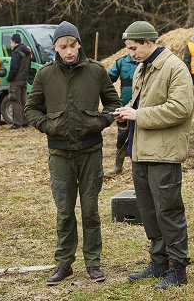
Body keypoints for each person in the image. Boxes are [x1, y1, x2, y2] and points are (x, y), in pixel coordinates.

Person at [24, 21, 121, 285]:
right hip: (60, 155)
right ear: (55, 48)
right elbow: (31, 109)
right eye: (62, 46)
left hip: (90, 153)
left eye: (72, 45)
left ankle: (93, 263)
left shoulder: (96, 72)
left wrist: (99, 122)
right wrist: (48, 126)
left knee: (90, 210)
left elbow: (113, 103)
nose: (68, 51)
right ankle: (64, 263)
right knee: (64, 211)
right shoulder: (45, 75)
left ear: (79, 44)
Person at [113, 21, 194, 290]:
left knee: (168, 212)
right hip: (141, 152)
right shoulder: (141, 68)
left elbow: (180, 108)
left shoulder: (175, 68)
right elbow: (140, 106)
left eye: (133, 48)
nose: (130, 54)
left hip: (164, 155)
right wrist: (126, 113)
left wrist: (139, 115)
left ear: (149, 42)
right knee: (149, 212)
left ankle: (177, 268)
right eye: (128, 49)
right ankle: (159, 262)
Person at [105, 53, 139, 176]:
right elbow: (108, 80)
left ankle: (140, 167)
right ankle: (118, 165)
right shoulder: (121, 62)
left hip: (143, 108)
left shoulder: (146, 61)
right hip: (125, 106)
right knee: (122, 136)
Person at [7, 33, 31, 129]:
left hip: (16, 80)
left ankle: (17, 124)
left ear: (14, 42)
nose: (10, 44)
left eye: (11, 42)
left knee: (15, 101)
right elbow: (28, 67)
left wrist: (9, 79)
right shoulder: (27, 52)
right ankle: (25, 122)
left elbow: (14, 68)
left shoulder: (16, 53)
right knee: (23, 101)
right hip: (24, 79)